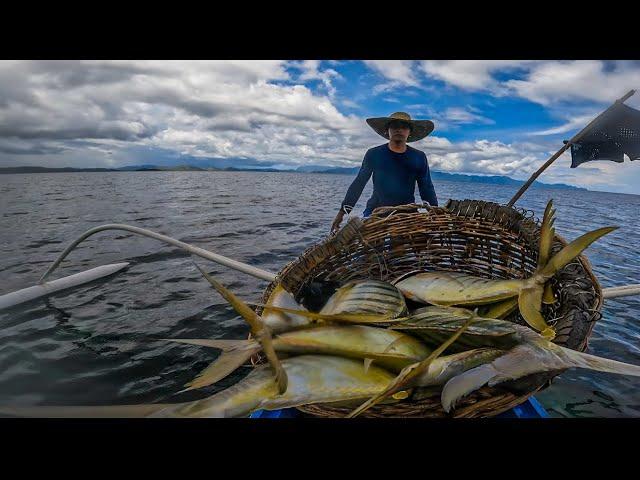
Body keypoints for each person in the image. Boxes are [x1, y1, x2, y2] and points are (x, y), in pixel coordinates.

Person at [330, 112, 438, 234]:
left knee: (401, 250)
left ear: (410, 132)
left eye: (404, 127)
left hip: (406, 213)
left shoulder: (419, 157)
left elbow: (426, 187)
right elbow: (359, 183)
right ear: (387, 130)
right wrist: (342, 212)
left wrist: (435, 213)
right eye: (395, 126)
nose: (399, 130)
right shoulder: (374, 154)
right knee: (368, 246)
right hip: (376, 211)